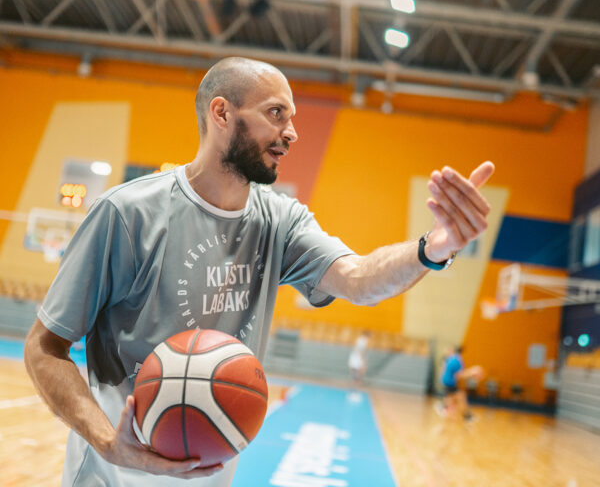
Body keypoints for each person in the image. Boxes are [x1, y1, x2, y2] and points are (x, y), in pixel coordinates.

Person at [24, 57, 495, 486]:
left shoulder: (281, 221)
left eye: (291, 118)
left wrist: (434, 247)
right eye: (276, 114)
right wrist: (109, 443)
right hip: (112, 477)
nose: (292, 133)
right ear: (222, 113)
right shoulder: (127, 214)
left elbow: (359, 278)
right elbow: (44, 348)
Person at [438, 346, 483, 422]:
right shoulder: (457, 360)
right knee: (461, 397)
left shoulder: (451, 359)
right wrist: (472, 371)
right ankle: (466, 416)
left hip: (446, 381)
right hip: (449, 382)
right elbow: (460, 375)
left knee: (455, 398)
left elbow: (446, 370)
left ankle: (446, 409)